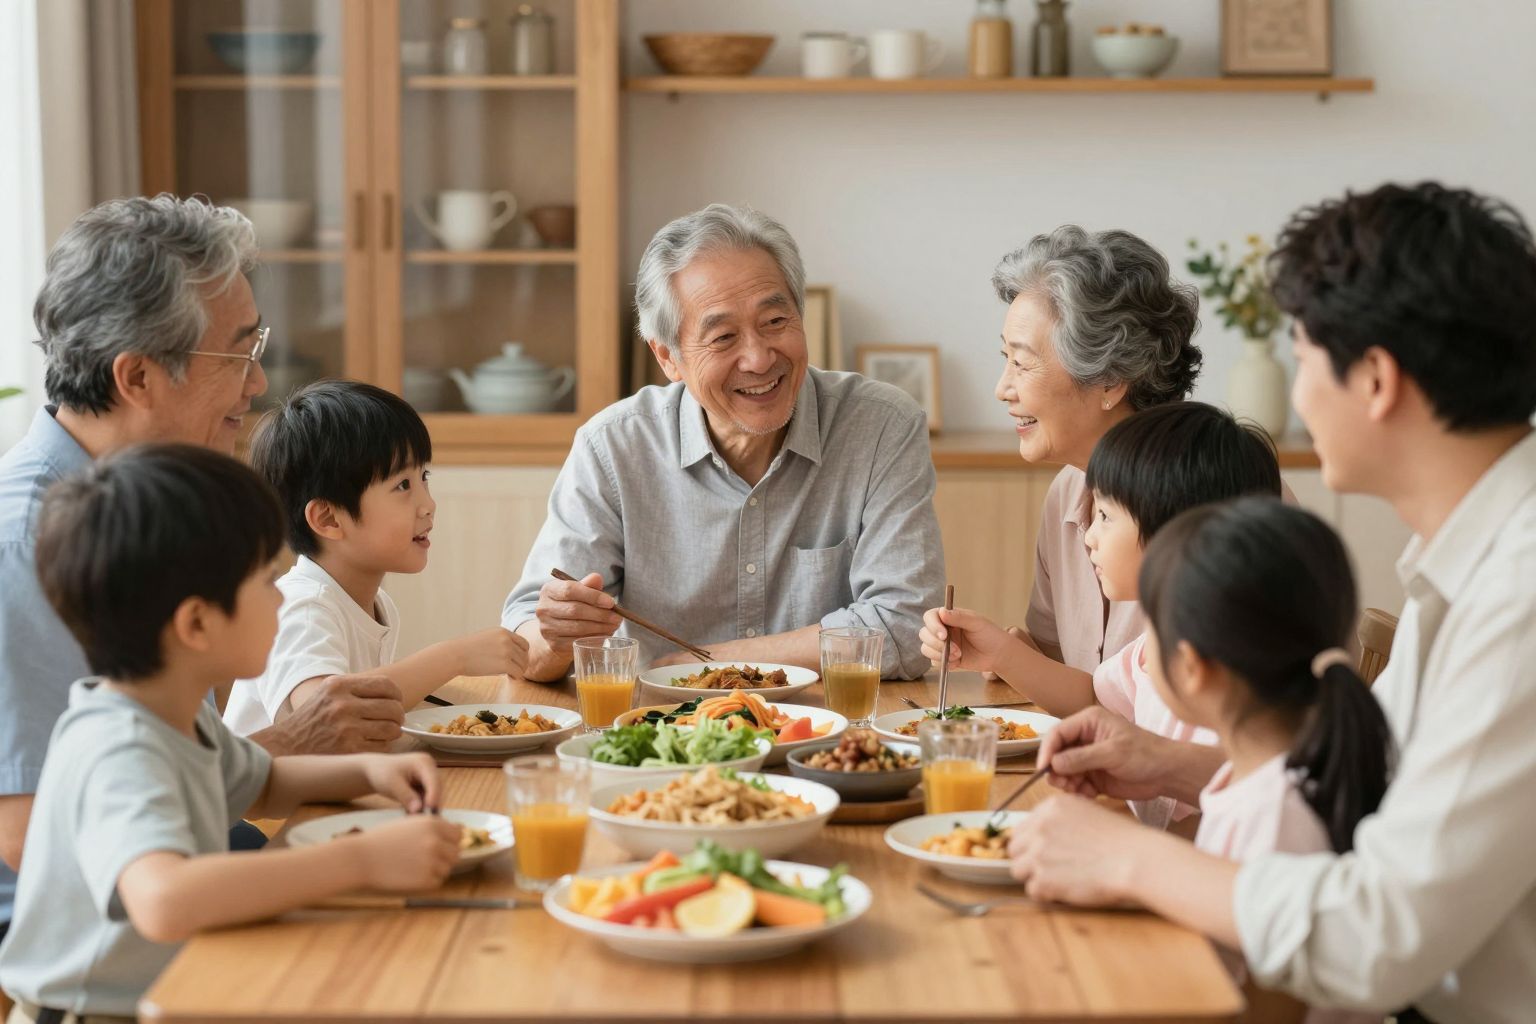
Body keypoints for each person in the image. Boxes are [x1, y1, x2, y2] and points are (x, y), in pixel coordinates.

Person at [1007, 182, 1536, 1022]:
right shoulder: (1467, 561)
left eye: (1301, 355)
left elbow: (1377, 937)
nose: (1293, 399)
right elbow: (1362, 801)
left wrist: (1127, 858)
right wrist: (1170, 763)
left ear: (1375, 379)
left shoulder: (1520, 597)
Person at [0, 196, 405, 948]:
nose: (258, 385)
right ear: (139, 377)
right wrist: (290, 750)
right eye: (240, 353)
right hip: (98, 938)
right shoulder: (26, 545)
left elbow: (204, 758)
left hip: (195, 860)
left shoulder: (156, 502)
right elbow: (30, 837)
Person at [0, 445, 462, 1023]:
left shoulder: (173, 712)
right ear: (197, 623)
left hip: (170, 986)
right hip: (91, 1013)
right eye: (267, 581)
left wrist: (368, 771)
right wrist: (361, 860)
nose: (281, 596)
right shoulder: (119, 748)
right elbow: (165, 899)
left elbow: (264, 781)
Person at [501, 203, 943, 680]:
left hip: (822, 733)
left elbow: (905, 628)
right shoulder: (613, 447)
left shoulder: (880, 427)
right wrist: (556, 638)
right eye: (724, 336)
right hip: (664, 738)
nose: (757, 358)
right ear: (668, 357)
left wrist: (698, 665)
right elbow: (526, 641)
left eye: (775, 322)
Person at [920, 402, 1280, 829]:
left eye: (1105, 516)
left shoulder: (1229, 681)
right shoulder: (1155, 645)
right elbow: (1094, 699)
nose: (1088, 536)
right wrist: (998, 652)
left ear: (1175, 536)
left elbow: (1224, 819)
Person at [1137, 498, 1392, 1023]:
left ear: (1192, 668)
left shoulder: (1277, 817)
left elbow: (1263, 1011)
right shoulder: (1259, 779)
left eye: (1149, 630)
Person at [223, 381, 528, 734]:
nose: (428, 504)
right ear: (329, 519)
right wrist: (454, 657)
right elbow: (326, 711)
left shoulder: (375, 602)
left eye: (423, 477)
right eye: (403, 485)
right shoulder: (302, 606)